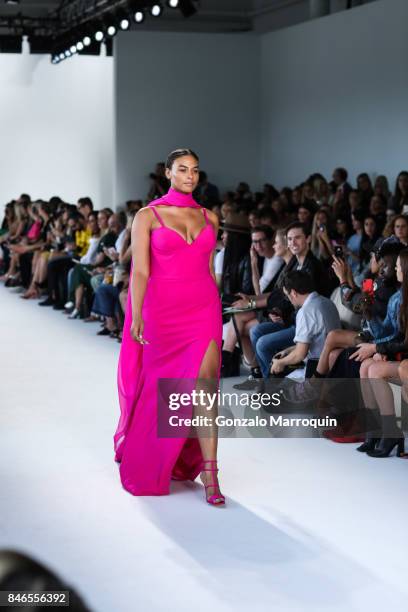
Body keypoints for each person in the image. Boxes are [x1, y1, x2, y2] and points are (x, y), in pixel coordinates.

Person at [115, 148, 225, 505]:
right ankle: (153, 456)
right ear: (168, 173)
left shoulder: (211, 217)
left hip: (204, 308)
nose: (190, 176)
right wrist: (137, 314)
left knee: (206, 390)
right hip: (163, 313)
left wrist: (218, 307)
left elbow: (209, 269)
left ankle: (211, 474)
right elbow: (141, 271)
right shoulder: (147, 217)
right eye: (182, 169)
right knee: (161, 388)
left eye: (194, 169)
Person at [270, 270, 340, 379]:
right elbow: (314, 342)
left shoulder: (305, 312)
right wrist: (287, 351)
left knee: (275, 376)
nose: (288, 299)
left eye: (287, 295)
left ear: (293, 293)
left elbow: (300, 354)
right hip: (334, 364)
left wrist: (280, 363)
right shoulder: (327, 302)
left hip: (316, 368)